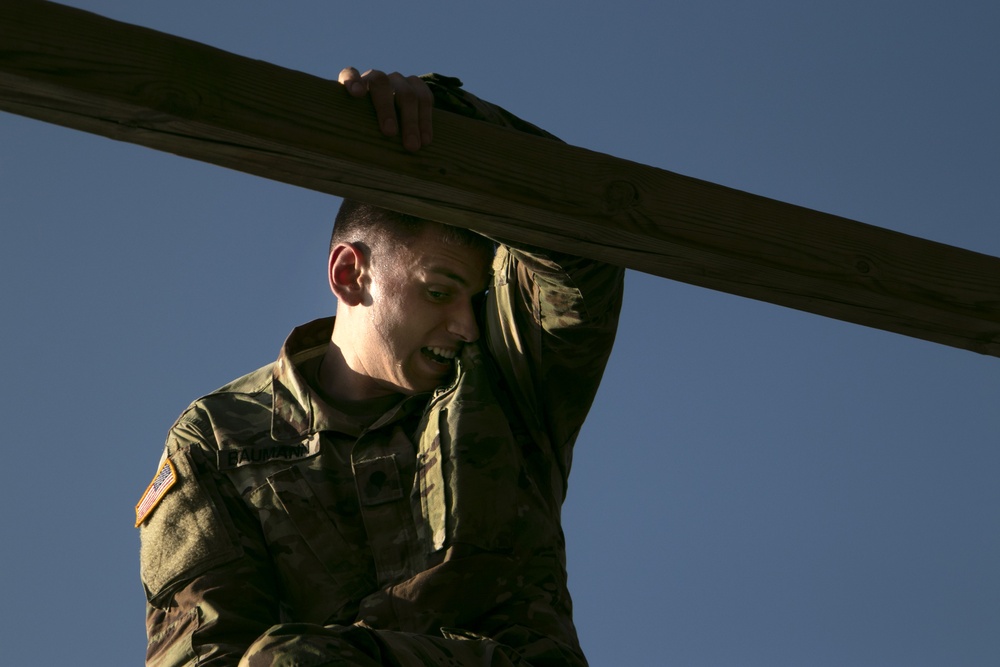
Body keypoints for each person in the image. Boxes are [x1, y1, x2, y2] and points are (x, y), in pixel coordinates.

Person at [136, 67, 625, 667]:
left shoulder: (506, 375)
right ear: (350, 275)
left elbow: (588, 242)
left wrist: (448, 123)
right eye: (441, 293)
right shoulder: (218, 438)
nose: (467, 327)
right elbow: (202, 649)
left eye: (476, 302)